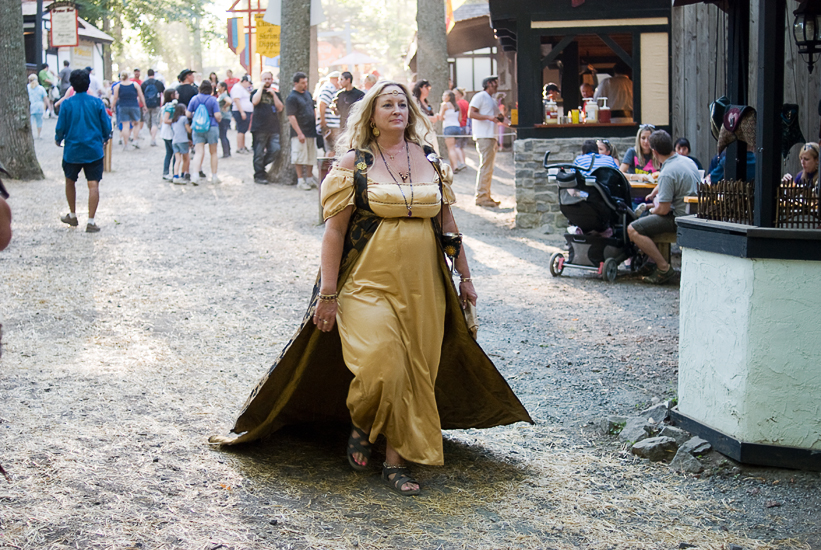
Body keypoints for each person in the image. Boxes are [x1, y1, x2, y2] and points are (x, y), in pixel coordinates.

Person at [209, 80, 532, 497]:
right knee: (383, 364)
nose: (397, 110)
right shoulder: (353, 164)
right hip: (366, 283)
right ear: (371, 115)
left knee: (417, 371)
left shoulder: (431, 161)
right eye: (387, 104)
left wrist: (466, 278)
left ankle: (396, 463)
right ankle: (363, 421)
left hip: (425, 287)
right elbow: (334, 233)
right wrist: (327, 295)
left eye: (403, 103)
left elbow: (448, 227)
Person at [627, 130, 698, 284]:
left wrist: (650, 209)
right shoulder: (686, 161)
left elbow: (663, 210)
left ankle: (664, 268)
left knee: (633, 229)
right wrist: (657, 191)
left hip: (680, 219)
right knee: (647, 221)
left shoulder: (667, 172)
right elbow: (678, 179)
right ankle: (651, 263)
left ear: (654, 151)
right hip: (694, 214)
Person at [55, 69, 112, 233]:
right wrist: (105, 137)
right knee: (93, 184)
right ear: (88, 83)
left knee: (69, 181)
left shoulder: (66, 103)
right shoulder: (97, 102)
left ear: (72, 84)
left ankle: (72, 215)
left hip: (72, 150)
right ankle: (91, 221)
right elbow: (106, 126)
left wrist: (58, 139)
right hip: (93, 149)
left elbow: (61, 127)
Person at [469, 75, 507, 207]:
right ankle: (481, 197)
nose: (497, 85)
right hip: (484, 136)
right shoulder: (480, 96)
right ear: (489, 83)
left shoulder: (492, 100)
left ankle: (486, 195)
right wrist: (489, 117)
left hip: (492, 136)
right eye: (496, 83)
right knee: (485, 166)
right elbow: (471, 113)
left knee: (489, 167)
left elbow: (500, 119)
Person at [250, 71, 284, 184]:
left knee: (276, 149)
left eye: (269, 79)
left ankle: (261, 165)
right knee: (258, 152)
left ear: (272, 80)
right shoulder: (256, 92)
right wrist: (261, 87)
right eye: (265, 79)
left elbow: (280, 108)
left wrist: (274, 94)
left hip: (273, 128)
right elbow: (255, 101)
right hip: (259, 128)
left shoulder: (276, 94)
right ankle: (259, 175)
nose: (267, 81)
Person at [286, 71, 318, 191]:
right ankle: (300, 180)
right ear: (296, 83)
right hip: (300, 131)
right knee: (299, 156)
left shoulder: (308, 94)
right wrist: (299, 132)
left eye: (306, 82)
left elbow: (312, 109)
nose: (305, 84)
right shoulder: (292, 98)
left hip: (310, 130)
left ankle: (309, 178)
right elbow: (291, 116)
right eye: (302, 82)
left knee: (310, 156)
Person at [186, 80, 223, 184]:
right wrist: (219, 118)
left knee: (199, 152)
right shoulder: (213, 100)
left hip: (198, 127)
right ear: (211, 89)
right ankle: (214, 176)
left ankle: (195, 175)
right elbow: (217, 115)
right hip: (212, 126)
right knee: (213, 152)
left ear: (200, 89)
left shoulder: (194, 99)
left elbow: (188, 114)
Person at [111, 70, 146, 151]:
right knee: (136, 123)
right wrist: (144, 105)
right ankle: (135, 140)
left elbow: (115, 97)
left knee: (125, 125)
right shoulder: (135, 85)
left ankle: (125, 144)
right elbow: (141, 95)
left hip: (123, 106)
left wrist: (112, 106)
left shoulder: (118, 86)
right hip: (134, 105)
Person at [439, 90, 466, 172]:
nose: (443, 97)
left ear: (449, 97)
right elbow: (460, 119)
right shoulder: (457, 106)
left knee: (451, 149)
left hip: (448, 127)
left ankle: (455, 165)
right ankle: (453, 166)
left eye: (444, 95)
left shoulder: (444, 105)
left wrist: (443, 118)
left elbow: (440, 117)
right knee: (454, 147)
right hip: (457, 127)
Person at [317, 71, 341, 152]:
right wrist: (323, 121)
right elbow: (322, 104)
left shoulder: (330, 88)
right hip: (331, 124)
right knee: (332, 149)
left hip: (332, 124)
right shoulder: (329, 88)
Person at [141, 69, 166, 147]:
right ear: (154, 74)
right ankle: (153, 139)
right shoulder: (159, 83)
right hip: (156, 105)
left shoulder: (144, 84)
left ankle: (152, 137)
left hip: (147, 106)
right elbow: (164, 93)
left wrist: (143, 105)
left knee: (149, 122)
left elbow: (141, 96)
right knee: (155, 122)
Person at [230, 75, 253, 154]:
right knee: (241, 129)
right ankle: (240, 147)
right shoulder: (237, 88)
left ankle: (243, 145)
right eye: (248, 83)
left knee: (244, 129)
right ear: (244, 81)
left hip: (246, 111)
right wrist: (242, 112)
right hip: (240, 111)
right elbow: (236, 100)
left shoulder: (243, 89)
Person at [160, 88, 179, 180]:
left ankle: (167, 172)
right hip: (169, 133)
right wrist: (176, 120)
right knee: (174, 153)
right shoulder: (170, 107)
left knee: (169, 153)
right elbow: (165, 120)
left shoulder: (166, 106)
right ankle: (172, 172)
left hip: (166, 132)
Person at [170, 104, 191, 184]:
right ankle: (182, 175)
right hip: (183, 140)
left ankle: (175, 176)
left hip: (175, 141)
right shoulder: (184, 119)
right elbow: (188, 130)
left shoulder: (174, 120)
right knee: (186, 159)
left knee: (177, 159)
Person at [27, 74, 48, 139]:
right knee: (39, 121)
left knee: (30, 121)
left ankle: (29, 134)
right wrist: (48, 106)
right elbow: (45, 98)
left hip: (31, 106)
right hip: (39, 106)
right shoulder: (41, 88)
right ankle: (39, 134)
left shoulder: (27, 87)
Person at [216, 82, 233, 158]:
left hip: (224, 117)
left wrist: (224, 107)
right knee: (223, 135)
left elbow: (229, 101)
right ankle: (227, 151)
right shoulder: (221, 96)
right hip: (225, 117)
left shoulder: (223, 95)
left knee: (222, 135)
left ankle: (226, 152)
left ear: (223, 87)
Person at [454, 87, 469, 151]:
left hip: (459, 126)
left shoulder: (458, 103)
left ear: (459, 94)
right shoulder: (466, 103)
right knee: (461, 148)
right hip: (466, 127)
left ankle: (460, 161)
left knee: (457, 147)